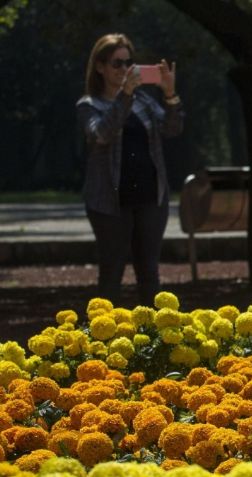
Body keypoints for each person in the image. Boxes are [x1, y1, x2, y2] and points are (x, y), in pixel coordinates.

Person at [77, 33, 184, 306]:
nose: (124, 70)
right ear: (100, 66)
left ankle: (154, 342)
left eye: (129, 63)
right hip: (110, 202)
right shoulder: (89, 105)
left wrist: (170, 94)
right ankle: (104, 342)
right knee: (111, 273)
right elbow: (102, 134)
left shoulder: (144, 102)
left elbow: (172, 129)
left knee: (150, 273)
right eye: (117, 64)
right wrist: (124, 96)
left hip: (150, 198)